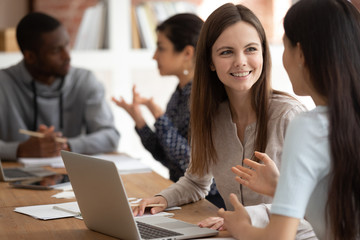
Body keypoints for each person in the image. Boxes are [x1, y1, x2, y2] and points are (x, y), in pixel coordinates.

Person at [132, 3, 316, 239]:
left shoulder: (289, 116)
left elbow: (311, 205)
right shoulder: (209, 116)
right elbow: (197, 182)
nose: (241, 61)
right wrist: (162, 199)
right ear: (209, 61)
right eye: (226, 52)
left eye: (250, 49)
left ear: (263, 53)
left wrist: (246, 217)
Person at [219, 0, 360, 239]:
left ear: (301, 53)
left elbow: (278, 237)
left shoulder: (308, 125)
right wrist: (281, 186)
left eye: (284, 47)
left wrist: (239, 226)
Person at [112, 13, 225, 208]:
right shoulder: (180, 93)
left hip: (208, 203)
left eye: (161, 48)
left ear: (187, 53)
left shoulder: (206, 98)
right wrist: (139, 120)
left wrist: (159, 117)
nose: (154, 56)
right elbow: (165, 156)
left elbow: (190, 163)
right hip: (181, 196)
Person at [0, 12, 120, 160]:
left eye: (67, 45)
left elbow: (110, 136)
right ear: (30, 57)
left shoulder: (84, 80)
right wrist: (20, 150)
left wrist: (65, 146)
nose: (67, 56)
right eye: (56, 50)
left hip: (70, 178)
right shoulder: (3, 84)